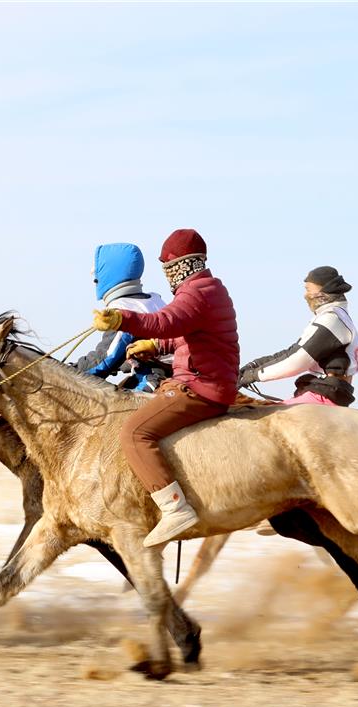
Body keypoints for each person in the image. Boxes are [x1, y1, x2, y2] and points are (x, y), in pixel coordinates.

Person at [92, 228, 240, 548]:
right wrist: (153, 346)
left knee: (134, 433)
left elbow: (165, 322)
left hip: (200, 388)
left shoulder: (195, 292)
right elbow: (179, 333)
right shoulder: (209, 289)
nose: (168, 275)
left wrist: (121, 320)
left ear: (177, 265)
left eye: (168, 268)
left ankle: (175, 508)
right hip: (205, 382)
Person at [237, 266, 358, 407]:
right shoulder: (332, 316)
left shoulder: (332, 319)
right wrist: (255, 365)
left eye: (308, 289)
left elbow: (298, 360)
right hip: (324, 389)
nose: (305, 295)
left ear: (321, 292)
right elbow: (292, 352)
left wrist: (255, 375)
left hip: (325, 393)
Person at [75, 242, 172, 391]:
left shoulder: (123, 308)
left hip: (157, 379)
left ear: (109, 274)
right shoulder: (154, 299)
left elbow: (105, 360)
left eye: (97, 271)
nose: (93, 277)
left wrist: (66, 371)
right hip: (175, 373)